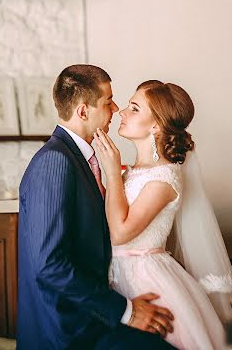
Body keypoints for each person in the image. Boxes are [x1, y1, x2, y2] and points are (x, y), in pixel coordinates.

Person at [17, 65, 176, 350]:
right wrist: (126, 311)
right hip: (67, 331)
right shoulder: (55, 161)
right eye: (108, 101)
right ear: (83, 111)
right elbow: (49, 264)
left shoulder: (82, 158)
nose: (116, 109)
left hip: (92, 319)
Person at [94, 80, 232, 350]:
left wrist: (112, 172)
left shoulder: (165, 177)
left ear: (155, 125)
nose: (122, 112)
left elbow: (121, 232)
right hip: (115, 276)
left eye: (134, 108)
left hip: (146, 280)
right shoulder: (133, 172)